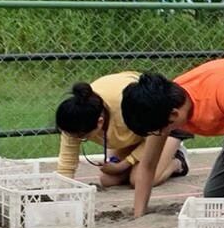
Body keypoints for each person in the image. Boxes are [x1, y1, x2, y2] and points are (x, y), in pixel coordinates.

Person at [121, 57, 224, 217]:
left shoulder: (221, 91)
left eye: (158, 131)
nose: (159, 136)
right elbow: (148, 165)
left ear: (174, 114)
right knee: (214, 197)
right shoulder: (165, 103)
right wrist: (138, 214)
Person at [55, 73, 189, 188]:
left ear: (100, 122)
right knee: (108, 180)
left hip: (163, 128)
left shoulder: (126, 105)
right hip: (135, 135)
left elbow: (152, 133)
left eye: (83, 137)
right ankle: (144, 163)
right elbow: (67, 164)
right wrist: (63, 191)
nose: (77, 140)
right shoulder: (74, 118)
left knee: (138, 180)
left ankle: (177, 160)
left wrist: (125, 164)